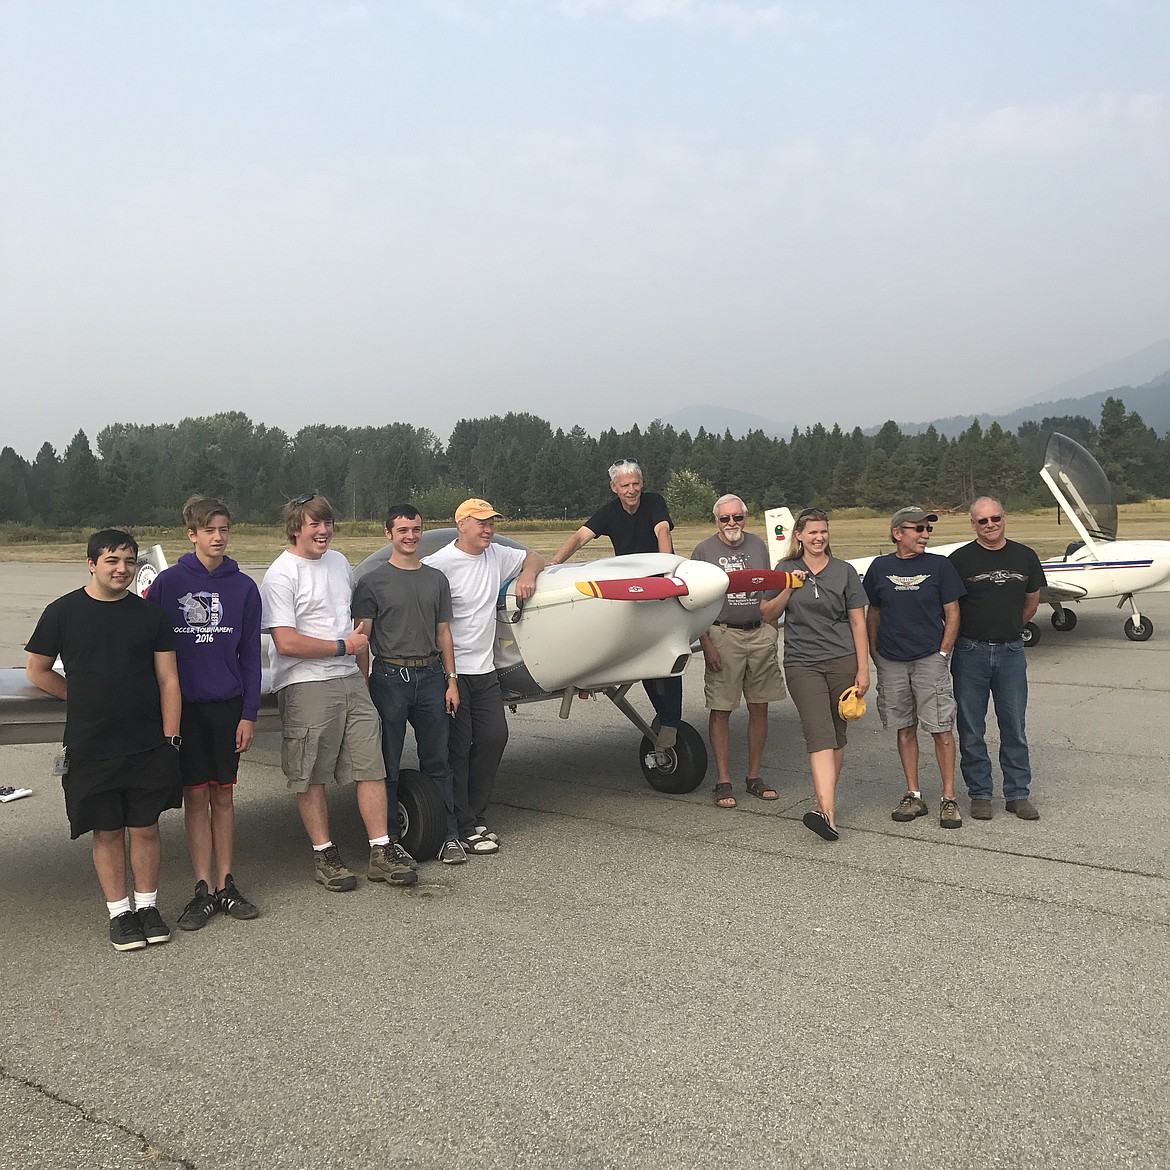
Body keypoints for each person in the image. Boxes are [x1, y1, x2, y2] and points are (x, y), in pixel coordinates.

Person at [25, 529, 183, 952]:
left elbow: (169, 680)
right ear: (91, 563)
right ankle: (120, 914)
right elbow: (37, 670)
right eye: (112, 560)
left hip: (147, 741)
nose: (122, 569)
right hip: (91, 744)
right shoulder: (63, 612)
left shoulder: (149, 615)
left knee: (146, 827)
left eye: (129, 561)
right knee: (108, 831)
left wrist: (171, 739)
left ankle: (148, 907)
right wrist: (79, 696)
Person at [259, 493, 416, 890]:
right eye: (315, 524)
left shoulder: (339, 562)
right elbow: (286, 642)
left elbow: (353, 626)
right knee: (311, 772)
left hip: (349, 677)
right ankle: (325, 854)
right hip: (305, 682)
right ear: (296, 528)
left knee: (371, 764)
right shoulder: (281, 574)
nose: (324, 531)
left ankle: (381, 850)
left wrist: (358, 672)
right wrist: (342, 649)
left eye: (327, 523)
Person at [147, 495, 263, 930]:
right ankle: (201, 887)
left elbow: (251, 657)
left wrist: (248, 713)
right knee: (195, 797)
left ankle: (226, 883)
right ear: (192, 534)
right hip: (186, 710)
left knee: (224, 796)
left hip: (227, 707)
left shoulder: (244, 588)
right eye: (209, 530)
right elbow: (154, 655)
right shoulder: (168, 584)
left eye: (224, 529)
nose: (218, 537)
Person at [423, 498, 543, 854]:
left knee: (493, 739)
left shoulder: (496, 554)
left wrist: (527, 574)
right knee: (457, 750)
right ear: (462, 526)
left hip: (486, 670)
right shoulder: (437, 565)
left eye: (492, 523)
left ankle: (473, 815)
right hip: (452, 673)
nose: (489, 529)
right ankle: (462, 825)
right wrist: (447, 678)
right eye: (481, 523)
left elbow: (533, 556)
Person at [352, 504, 466, 866]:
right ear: (389, 534)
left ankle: (449, 835)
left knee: (438, 761)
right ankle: (391, 839)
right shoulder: (371, 582)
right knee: (386, 762)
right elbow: (362, 640)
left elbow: (444, 632)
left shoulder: (436, 580)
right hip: (390, 680)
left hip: (432, 676)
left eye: (416, 529)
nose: (410, 536)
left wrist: (451, 680)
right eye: (402, 530)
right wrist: (363, 688)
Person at [549, 459, 682, 748]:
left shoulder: (654, 503)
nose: (631, 490)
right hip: (632, 590)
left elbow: (663, 532)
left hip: (659, 584)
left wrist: (667, 571)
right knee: (644, 654)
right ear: (614, 488)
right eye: (625, 485)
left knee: (667, 651)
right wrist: (555, 563)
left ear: (642, 484)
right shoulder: (609, 513)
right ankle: (666, 717)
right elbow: (580, 537)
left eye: (635, 484)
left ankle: (671, 720)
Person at [863, 507, 966, 830]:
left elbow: (953, 612)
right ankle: (914, 794)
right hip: (892, 660)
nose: (925, 535)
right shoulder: (880, 567)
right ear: (898, 533)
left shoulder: (940, 566)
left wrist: (943, 652)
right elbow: (873, 612)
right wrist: (874, 651)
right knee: (904, 728)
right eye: (918, 529)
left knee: (941, 729)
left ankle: (948, 799)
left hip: (928, 659)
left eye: (927, 529)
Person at [770, 508, 869, 841]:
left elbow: (858, 621)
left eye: (823, 531)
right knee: (819, 734)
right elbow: (768, 614)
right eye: (812, 532)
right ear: (798, 535)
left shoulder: (844, 571)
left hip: (842, 660)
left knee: (837, 735)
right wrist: (787, 588)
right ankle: (826, 813)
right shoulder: (785, 569)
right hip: (803, 663)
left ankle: (825, 805)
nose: (818, 537)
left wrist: (863, 668)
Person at [948, 497, 1046, 821]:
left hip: (1011, 652)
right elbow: (948, 608)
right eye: (982, 521)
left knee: (1014, 725)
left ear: (1005, 518)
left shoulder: (1025, 556)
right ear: (973, 525)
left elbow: (1031, 601)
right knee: (971, 727)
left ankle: (1018, 794)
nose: (990, 525)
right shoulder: (959, 560)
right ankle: (980, 793)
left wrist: (1013, 627)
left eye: (995, 518)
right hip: (970, 653)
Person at [690, 494, 786, 808]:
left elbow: (770, 589)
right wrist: (707, 644)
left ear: (746, 518)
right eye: (725, 519)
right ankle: (722, 781)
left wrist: (770, 629)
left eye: (738, 517)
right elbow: (695, 601)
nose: (732, 524)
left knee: (760, 707)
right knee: (722, 709)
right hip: (723, 634)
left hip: (758, 633)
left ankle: (754, 777)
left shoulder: (759, 546)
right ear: (716, 521)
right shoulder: (704, 551)